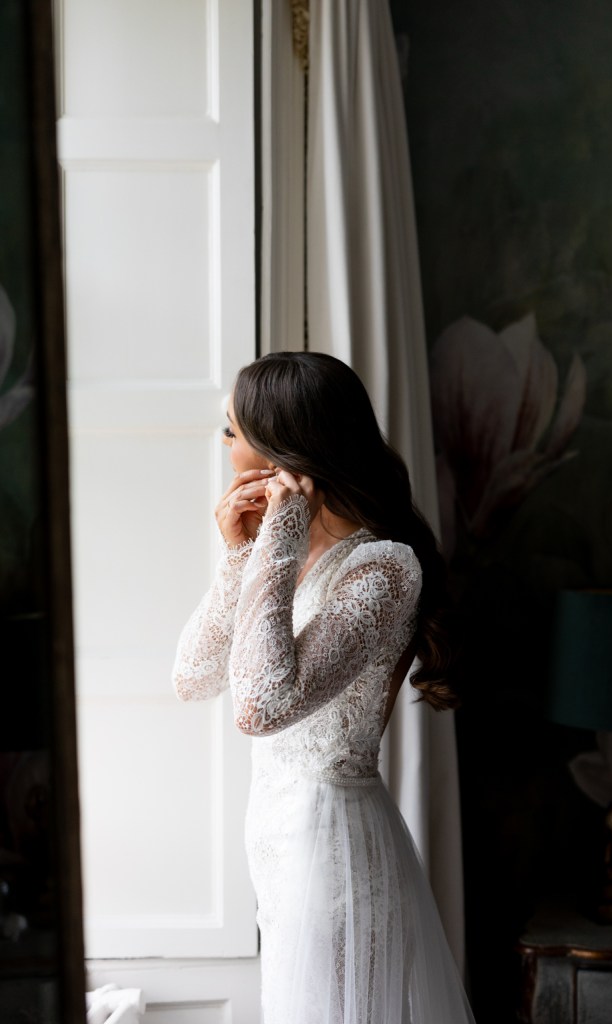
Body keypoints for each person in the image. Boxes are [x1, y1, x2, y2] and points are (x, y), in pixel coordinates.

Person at [173, 352, 475, 1024]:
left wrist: (275, 546)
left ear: (284, 442)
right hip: (276, 843)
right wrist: (237, 558)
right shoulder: (274, 552)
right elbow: (192, 678)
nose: (222, 445)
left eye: (230, 430)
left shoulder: (382, 567)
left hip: (333, 848)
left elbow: (260, 707)